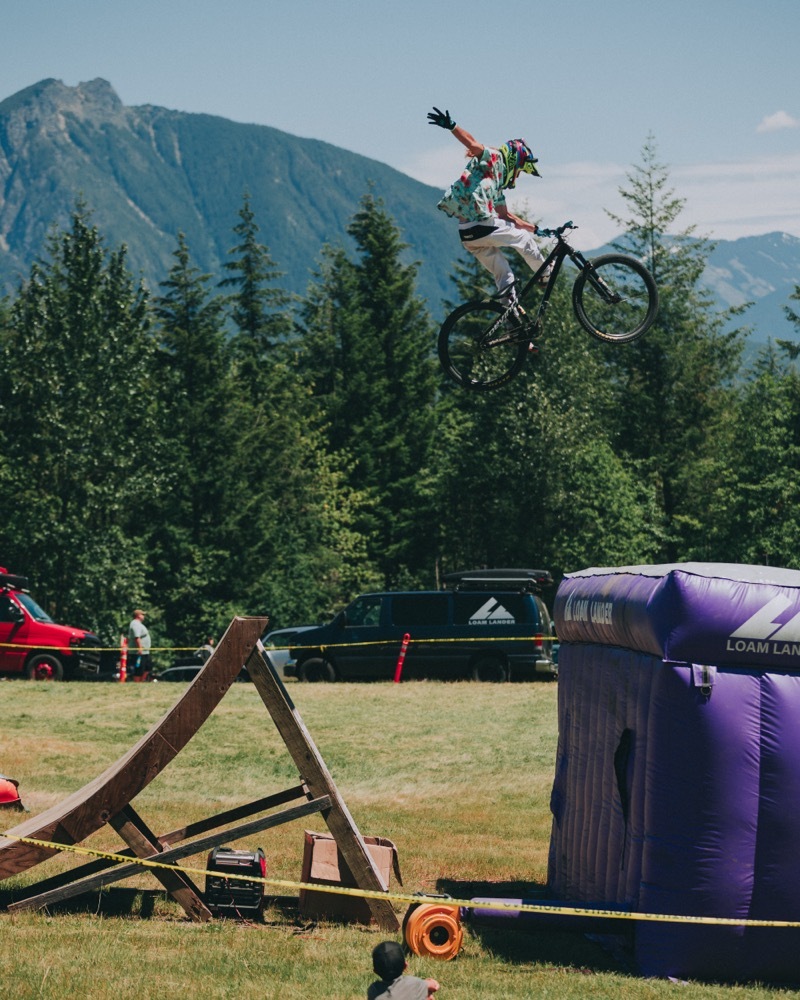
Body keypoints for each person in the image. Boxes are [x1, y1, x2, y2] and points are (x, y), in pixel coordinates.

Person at [428, 105, 549, 309]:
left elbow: (509, 218)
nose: (517, 176)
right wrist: (452, 126)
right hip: (479, 225)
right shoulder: (494, 157)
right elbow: (473, 144)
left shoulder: (497, 185)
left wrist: (538, 230)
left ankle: (513, 325)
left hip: (469, 235)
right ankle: (546, 274)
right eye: (519, 170)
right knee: (523, 239)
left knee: (505, 275)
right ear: (514, 159)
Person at [367, 940, 440, 1000]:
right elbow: (434, 986)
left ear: (375, 971)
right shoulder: (416, 984)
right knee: (428, 997)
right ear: (405, 966)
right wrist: (428, 982)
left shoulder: (374, 990)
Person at [128, 609, 152, 682]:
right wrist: (140, 648)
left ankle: (141, 682)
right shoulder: (135, 624)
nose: (144, 616)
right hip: (139, 652)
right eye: (142, 614)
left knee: (148, 667)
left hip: (145, 651)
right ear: (138, 615)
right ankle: (137, 683)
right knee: (139, 669)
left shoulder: (139, 624)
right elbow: (137, 637)